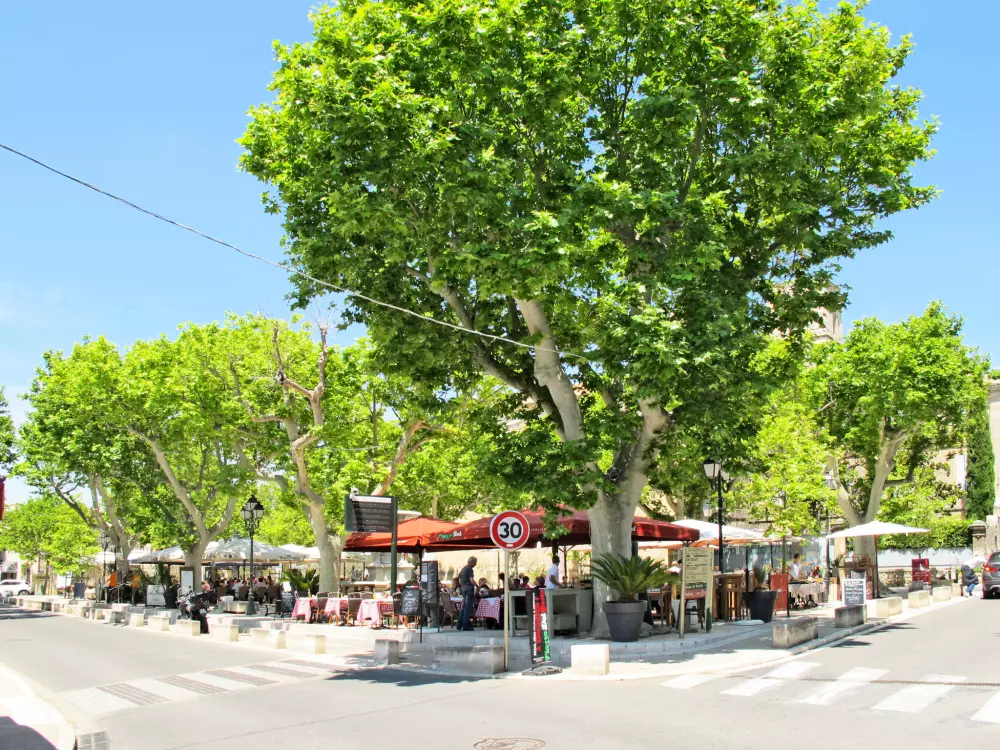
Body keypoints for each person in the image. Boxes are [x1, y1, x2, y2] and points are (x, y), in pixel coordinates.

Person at [457, 556, 477, 631]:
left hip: (463, 589)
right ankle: (466, 625)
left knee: (463, 607)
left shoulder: (463, 569)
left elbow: (459, 580)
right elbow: (471, 580)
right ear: (472, 562)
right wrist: (477, 586)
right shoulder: (469, 569)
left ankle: (459, 624)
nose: (475, 564)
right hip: (469, 589)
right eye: (475, 562)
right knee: (468, 608)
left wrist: (463, 585)